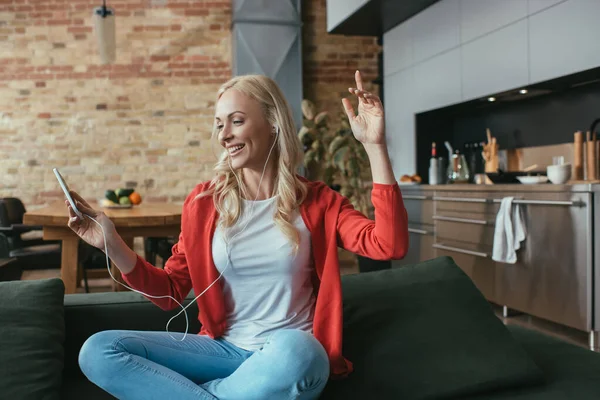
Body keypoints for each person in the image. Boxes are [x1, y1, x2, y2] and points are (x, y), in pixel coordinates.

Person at [66, 70, 409, 400]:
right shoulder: (204, 203)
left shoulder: (319, 201)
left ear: (273, 123)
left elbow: (388, 244)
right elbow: (170, 293)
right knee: (99, 350)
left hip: (287, 357)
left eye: (236, 121)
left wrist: (374, 146)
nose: (223, 135)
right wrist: (110, 242)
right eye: (218, 124)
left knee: (300, 349)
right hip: (223, 351)